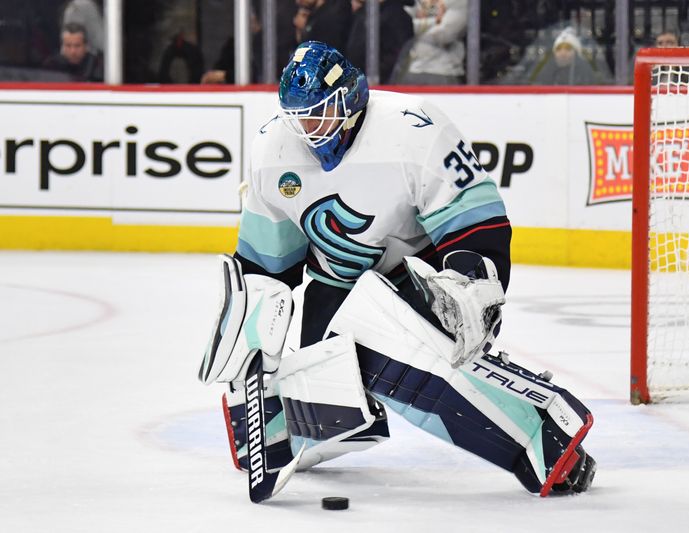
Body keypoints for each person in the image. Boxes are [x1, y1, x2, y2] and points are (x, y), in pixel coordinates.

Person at [198, 41, 596, 502]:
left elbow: (475, 218)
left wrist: (469, 283)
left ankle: (544, 434)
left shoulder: (413, 128)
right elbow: (266, 265)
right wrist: (253, 342)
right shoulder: (273, 149)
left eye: (319, 113)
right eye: (299, 117)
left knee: (407, 360)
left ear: (349, 99)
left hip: (417, 274)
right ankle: (283, 429)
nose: (308, 129)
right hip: (337, 284)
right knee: (316, 396)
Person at [393, 0, 468, 84]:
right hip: (410, 68)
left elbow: (444, 35)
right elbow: (401, 26)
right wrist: (436, 21)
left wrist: (419, 23)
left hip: (442, 70)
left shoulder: (459, 2)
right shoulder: (419, 2)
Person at [345, 0, 413, 83]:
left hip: (380, 85)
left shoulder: (397, 16)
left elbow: (398, 56)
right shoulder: (364, 12)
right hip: (357, 80)